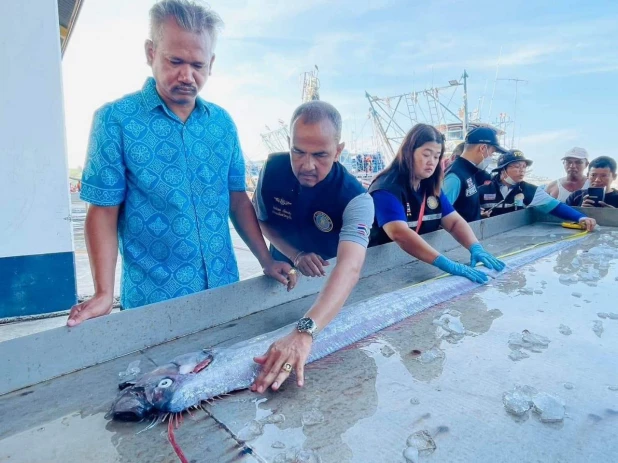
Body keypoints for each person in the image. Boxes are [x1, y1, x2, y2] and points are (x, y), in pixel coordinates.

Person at [67, 0, 294, 327]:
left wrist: (266, 259)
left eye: (198, 65)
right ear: (150, 53)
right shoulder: (115, 121)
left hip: (223, 289)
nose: (187, 75)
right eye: (175, 61)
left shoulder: (222, 124)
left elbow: (237, 198)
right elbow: (103, 209)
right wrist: (104, 292)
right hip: (154, 300)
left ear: (211, 63)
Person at [250, 101, 375, 393]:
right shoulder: (272, 169)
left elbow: (350, 266)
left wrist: (304, 332)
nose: (307, 166)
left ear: (339, 151)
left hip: (327, 279)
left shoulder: (356, 198)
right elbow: (261, 220)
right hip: (282, 268)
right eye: (298, 152)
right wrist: (295, 255)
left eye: (320, 155)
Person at [368, 124, 505, 284]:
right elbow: (399, 233)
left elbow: (453, 222)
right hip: (378, 271)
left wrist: (475, 247)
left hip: (414, 264)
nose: (431, 162)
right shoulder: (386, 188)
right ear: (408, 153)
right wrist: (447, 264)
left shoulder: (430, 186)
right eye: (426, 155)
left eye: (436, 156)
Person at [478, 150, 596, 231]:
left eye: (524, 166)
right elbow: (465, 211)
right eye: (516, 166)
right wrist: (477, 214)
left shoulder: (530, 191)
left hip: (514, 235)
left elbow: (556, 207)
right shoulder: (482, 189)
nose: (522, 170)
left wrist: (581, 217)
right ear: (502, 170)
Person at [443, 127, 507, 222]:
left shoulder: (469, 171)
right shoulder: (455, 175)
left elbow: (462, 207)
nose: (491, 157)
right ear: (483, 148)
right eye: (492, 153)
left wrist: (477, 214)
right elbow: (441, 214)